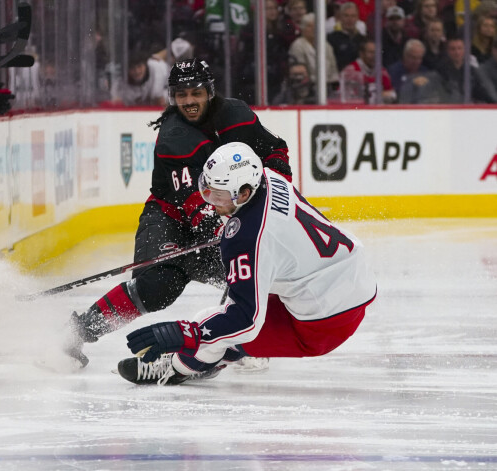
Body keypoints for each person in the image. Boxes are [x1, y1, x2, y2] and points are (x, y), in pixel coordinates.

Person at [67, 58, 292, 367]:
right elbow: (194, 202)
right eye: (181, 95)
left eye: (195, 93)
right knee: (157, 287)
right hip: (168, 218)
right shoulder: (174, 137)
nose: (188, 101)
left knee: (246, 272)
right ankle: (76, 333)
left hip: (221, 214)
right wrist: (224, 230)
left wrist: (277, 184)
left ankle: (235, 342)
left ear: (210, 92)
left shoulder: (237, 116)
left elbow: (276, 150)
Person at [116, 142, 377, 385]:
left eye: (218, 196)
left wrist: (188, 333)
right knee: (225, 320)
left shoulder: (246, 237)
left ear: (244, 193)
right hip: (352, 274)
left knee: (214, 328)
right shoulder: (267, 177)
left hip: (324, 322)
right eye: (207, 190)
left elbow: (246, 321)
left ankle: (177, 368)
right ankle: (206, 359)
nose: (211, 202)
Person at [435, 36, 497, 102]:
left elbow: (483, 93)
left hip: (469, 109)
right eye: (453, 49)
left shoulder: (473, 72)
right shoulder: (440, 71)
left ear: (465, 50)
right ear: (448, 51)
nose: (457, 52)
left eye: (459, 48)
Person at [289, 13, 340, 89]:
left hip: (329, 86)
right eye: (309, 26)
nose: (313, 29)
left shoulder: (326, 45)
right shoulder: (298, 45)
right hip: (307, 89)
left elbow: (334, 70)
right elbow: (301, 74)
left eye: (316, 26)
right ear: (302, 29)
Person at [340, 38, 397, 103]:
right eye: (371, 52)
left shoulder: (382, 72)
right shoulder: (350, 71)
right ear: (361, 54)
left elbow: (392, 94)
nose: (374, 55)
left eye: (376, 52)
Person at [327, 2, 366, 70]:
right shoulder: (331, 39)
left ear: (357, 18)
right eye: (346, 16)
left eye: (353, 16)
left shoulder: (363, 39)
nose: (350, 19)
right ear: (340, 17)